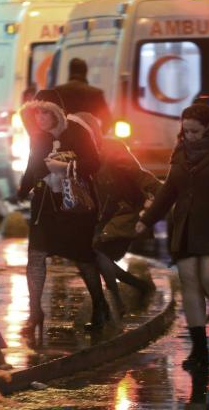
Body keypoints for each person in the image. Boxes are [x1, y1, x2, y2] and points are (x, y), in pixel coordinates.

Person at [136, 104, 209, 370]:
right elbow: (170, 189)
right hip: (187, 226)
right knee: (190, 282)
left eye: (194, 131)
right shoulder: (181, 151)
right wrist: (147, 220)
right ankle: (199, 351)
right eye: (185, 131)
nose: (188, 135)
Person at [16, 89, 109, 349]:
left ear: (57, 113)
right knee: (35, 255)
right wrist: (23, 189)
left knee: (82, 258)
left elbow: (94, 163)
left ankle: (99, 306)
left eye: (45, 112)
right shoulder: (38, 136)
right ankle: (35, 313)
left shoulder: (77, 132)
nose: (40, 117)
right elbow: (32, 164)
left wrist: (67, 166)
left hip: (74, 206)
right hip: (45, 204)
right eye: (37, 112)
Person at [71, 112, 159, 316]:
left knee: (96, 256)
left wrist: (163, 197)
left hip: (121, 216)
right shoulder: (75, 152)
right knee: (91, 259)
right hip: (99, 220)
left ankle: (115, 304)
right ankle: (134, 290)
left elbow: (139, 175)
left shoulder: (112, 149)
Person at [54, 58, 113, 132]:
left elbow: (51, 117)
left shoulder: (57, 91)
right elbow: (108, 120)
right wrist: (97, 136)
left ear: (70, 71)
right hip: (87, 140)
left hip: (63, 139)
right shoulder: (96, 93)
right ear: (85, 72)